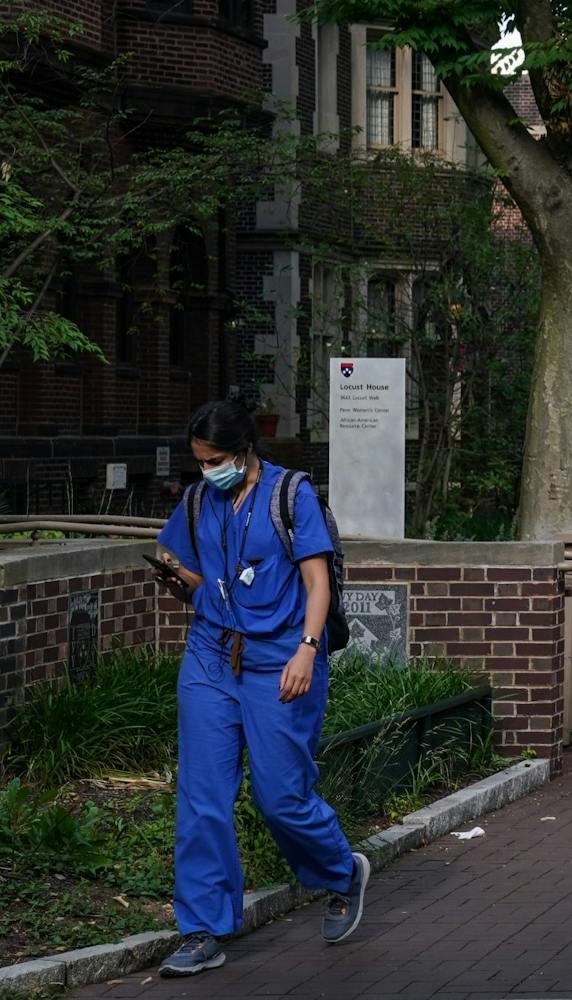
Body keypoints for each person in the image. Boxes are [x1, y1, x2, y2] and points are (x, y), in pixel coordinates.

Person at [150, 401, 370, 977]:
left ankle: (341, 872)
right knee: (203, 797)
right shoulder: (200, 501)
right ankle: (202, 929)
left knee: (280, 797)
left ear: (245, 452)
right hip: (210, 654)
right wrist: (177, 578)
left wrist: (306, 648)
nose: (207, 471)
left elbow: (316, 582)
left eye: (215, 460)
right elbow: (199, 581)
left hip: (281, 656)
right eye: (199, 461)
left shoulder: (288, 494)